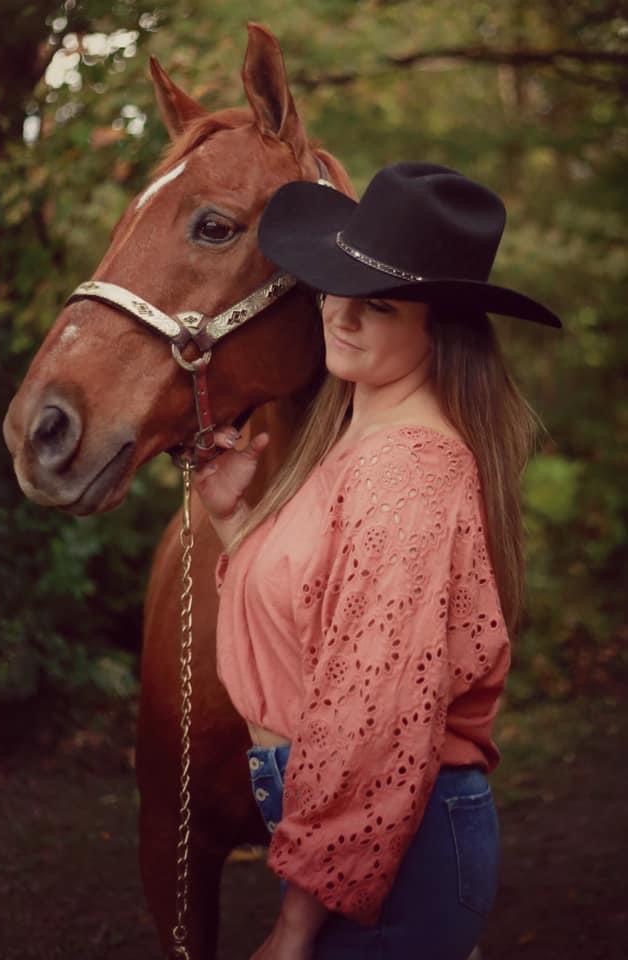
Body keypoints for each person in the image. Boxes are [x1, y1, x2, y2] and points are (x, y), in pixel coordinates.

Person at [194, 163, 561, 960]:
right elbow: (313, 621)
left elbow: (373, 720)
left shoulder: (409, 470)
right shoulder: (359, 442)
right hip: (351, 836)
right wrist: (234, 520)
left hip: (391, 849)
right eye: (335, 286)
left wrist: (295, 925)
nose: (342, 313)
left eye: (381, 304)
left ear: (441, 330)